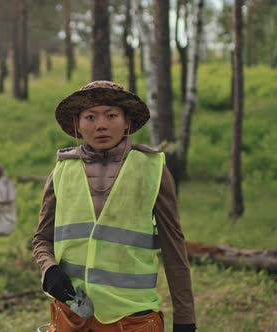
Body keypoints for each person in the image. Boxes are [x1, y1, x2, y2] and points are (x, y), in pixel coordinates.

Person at [31, 81, 196, 331]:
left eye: (111, 115)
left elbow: (174, 250)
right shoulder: (62, 171)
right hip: (73, 317)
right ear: (77, 124)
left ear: (127, 121)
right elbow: (41, 239)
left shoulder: (152, 170)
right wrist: (49, 269)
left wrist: (185, 320)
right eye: (90, 116)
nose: (101, 125)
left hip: (133, 318)